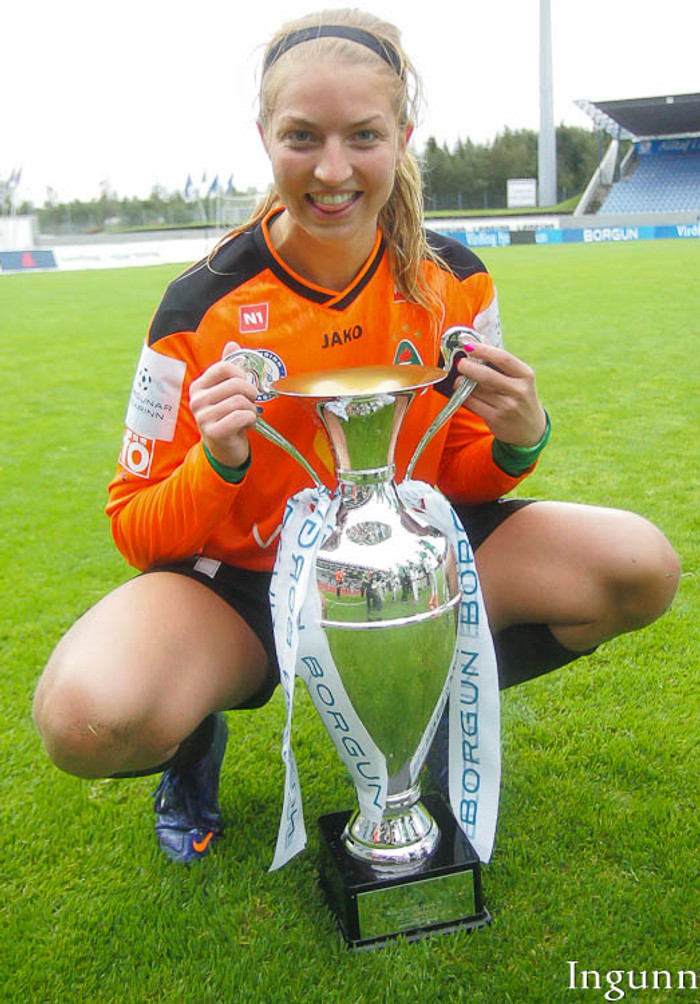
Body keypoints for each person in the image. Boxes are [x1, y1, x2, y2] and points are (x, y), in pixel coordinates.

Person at [32, 9, 680, 865]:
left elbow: (461, 477)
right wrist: (218, 464)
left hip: (407, 560)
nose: (332, 170)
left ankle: (427, 700)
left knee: (639, 568)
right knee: (84, 717)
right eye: (302, 136)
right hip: (248, 590)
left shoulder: (454, 279)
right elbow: (134, 527)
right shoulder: (197, 307)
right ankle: (191, 743)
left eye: (364, 136)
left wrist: (519, 442)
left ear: (403, 137)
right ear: (264, 136)